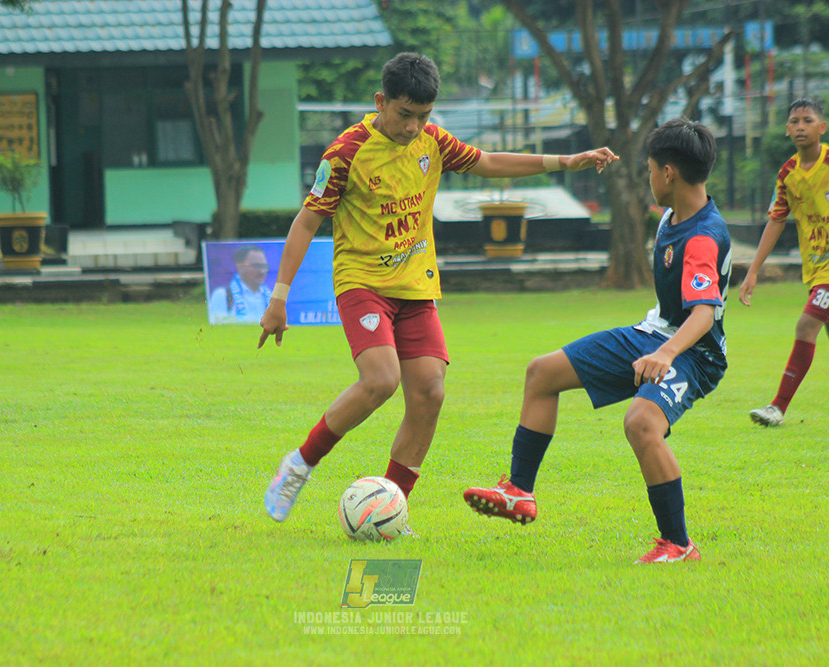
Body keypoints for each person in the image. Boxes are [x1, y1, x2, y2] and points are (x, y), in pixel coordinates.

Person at [259, 52, 618, 525]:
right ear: (381, 101)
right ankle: (299, 465)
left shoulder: (433, 141)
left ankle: (393, 509)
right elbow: (306, 223)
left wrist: (564, 160)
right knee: (381, 380)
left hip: (415, 287)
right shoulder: (346, 153)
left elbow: (487, 161)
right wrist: (279, 297)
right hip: (362, 283)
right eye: (404, 114)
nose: (412, 127)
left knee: (429, 392)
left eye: (423, 116)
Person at [464, 119, 731, 564]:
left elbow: (704, 313)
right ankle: (518, 492)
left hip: (694, 354)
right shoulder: (672, 215)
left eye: (649, 170)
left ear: (669, 173)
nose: (647, 178)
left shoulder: (702, 236)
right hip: (654, 333)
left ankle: (679, 545)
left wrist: (665, 354)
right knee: (542, 372)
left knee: (641, 423)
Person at [740, 98, 829, 427]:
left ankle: (777, 408)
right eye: (794, 121)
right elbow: (776, 220)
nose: (800, 126)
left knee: (806, 325)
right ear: (787, 130)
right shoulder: (788, 173)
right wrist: (754, 270)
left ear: (822, 127)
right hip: (815, 268)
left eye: (807, 120)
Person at [208, 245, 273, 323]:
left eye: (264, 266)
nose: (262, 271)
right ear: (241, 267)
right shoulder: (222, 295)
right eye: (257, 266)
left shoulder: (271, 297)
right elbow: (217, 324)